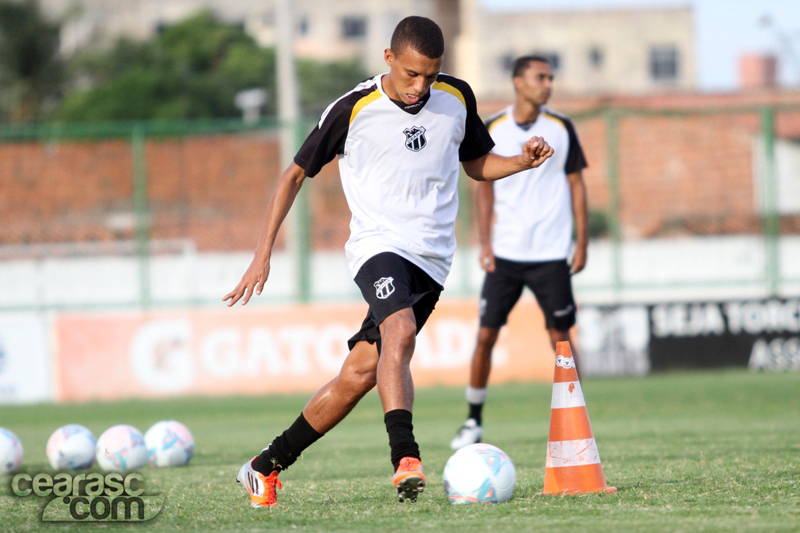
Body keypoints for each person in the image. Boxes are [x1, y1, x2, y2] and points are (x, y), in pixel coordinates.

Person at [223, 18, 554, 507]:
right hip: (377, 246)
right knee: (399, 329)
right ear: (389, 58)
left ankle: (264, 466)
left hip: (432, 260)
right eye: (411, 74)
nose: (421, 86)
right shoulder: (353, 108)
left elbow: (476, 163)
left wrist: (521, 161)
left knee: (360, 373)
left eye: (431, 75)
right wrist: (263, 252)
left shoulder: (457, 97)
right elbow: (293, 174)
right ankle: (406, 457)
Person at [450, 55, 589, 450]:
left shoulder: (561, 127)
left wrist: (582, 242)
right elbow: (484, 185)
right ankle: (473, 420)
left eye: (550, 78)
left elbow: (577, 184)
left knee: (561, 338)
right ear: (518, 81)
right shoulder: (494, 127)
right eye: (539, 77)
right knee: (486, 335)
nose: (547, 84)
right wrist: (486, 242)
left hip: (551, 252)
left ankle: (576, 420)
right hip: (506, 253)